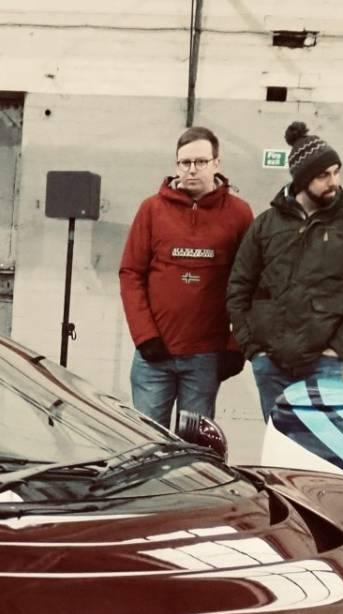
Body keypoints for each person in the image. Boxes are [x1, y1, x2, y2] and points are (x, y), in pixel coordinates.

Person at [227, 121, 343, 421]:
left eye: (336, 172)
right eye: (323, 175)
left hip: (324, 365)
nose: (334, 182)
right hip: (270, 366)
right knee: (279, 442)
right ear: (302, 179)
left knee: (322, 444)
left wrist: (337, 349)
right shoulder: (266, 224)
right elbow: (238, 287)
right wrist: (254, 350)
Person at [118, 124, 254, 427]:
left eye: (200, 162)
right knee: (148, 439)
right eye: (185, 162)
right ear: (176, 165)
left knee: (194, 444)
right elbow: (131, 274)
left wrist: (236, 345)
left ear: (216, 163)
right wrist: (145, 336)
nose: (192, 170)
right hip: (154, 356)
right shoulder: (151, 210)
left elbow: (252, 284)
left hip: (205, 358)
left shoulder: (239, 214)